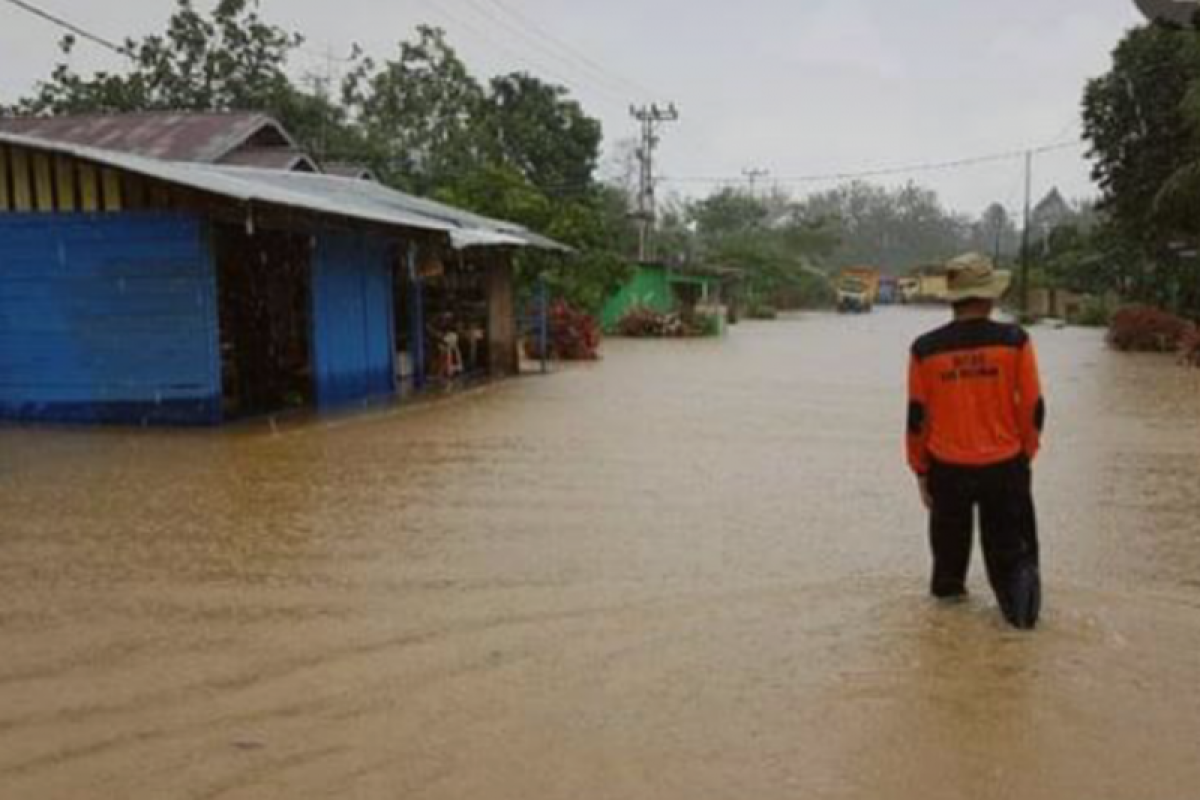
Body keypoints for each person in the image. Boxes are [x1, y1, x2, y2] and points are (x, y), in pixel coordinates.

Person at [906, 253, 1045, 630]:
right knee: (1015, 563)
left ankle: (947, 651)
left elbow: (918, 418)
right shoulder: (1015, 341)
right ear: (990, 297)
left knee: (948, 572)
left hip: (947, 471)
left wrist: (921, 469)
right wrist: (1023, 456)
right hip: (1005, 467)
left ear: (953, 297)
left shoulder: (925, 349)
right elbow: (1033, 408)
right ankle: (1019, 635)